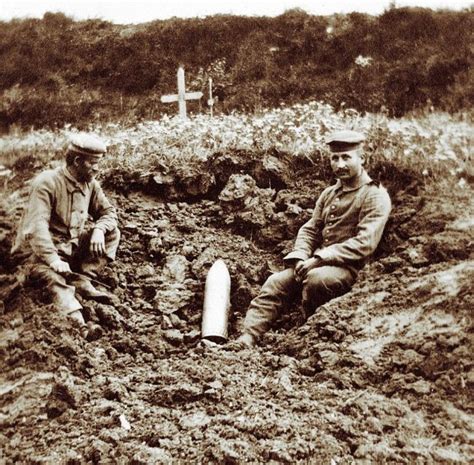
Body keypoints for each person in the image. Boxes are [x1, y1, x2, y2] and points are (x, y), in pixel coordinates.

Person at [235, 130, 392, 348]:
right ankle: (248, 337)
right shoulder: (329, 193)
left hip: (351, 268)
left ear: (362, 158)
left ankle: (307, 332)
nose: (339, 164)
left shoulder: (374, 194)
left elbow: (365, 242)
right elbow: (311, 229)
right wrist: (300, 256)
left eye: (347, 157)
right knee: (275, 282)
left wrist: (320, 258)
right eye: (334, 158)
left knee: (318, 280)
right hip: (314, 263)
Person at [11, 132, 120, 336]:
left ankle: (83, 280)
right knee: (53, 279)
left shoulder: (90, 184)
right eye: (93, 163)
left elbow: (109, 213)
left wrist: (98, 229)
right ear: (78, 161)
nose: (97, 168)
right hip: (37, 254)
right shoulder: (47, 182)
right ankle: (79, 323)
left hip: (69, 250)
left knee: (111, 232)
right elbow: (36, 227)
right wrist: (52, 259)